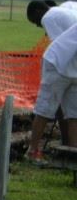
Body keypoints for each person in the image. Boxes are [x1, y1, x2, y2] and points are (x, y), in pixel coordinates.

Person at [25, 18, 77, 161]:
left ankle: (72, 155)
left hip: (75, 70)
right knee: (46, 109)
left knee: (74, 114)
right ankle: (32, 151)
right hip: (57, 64)